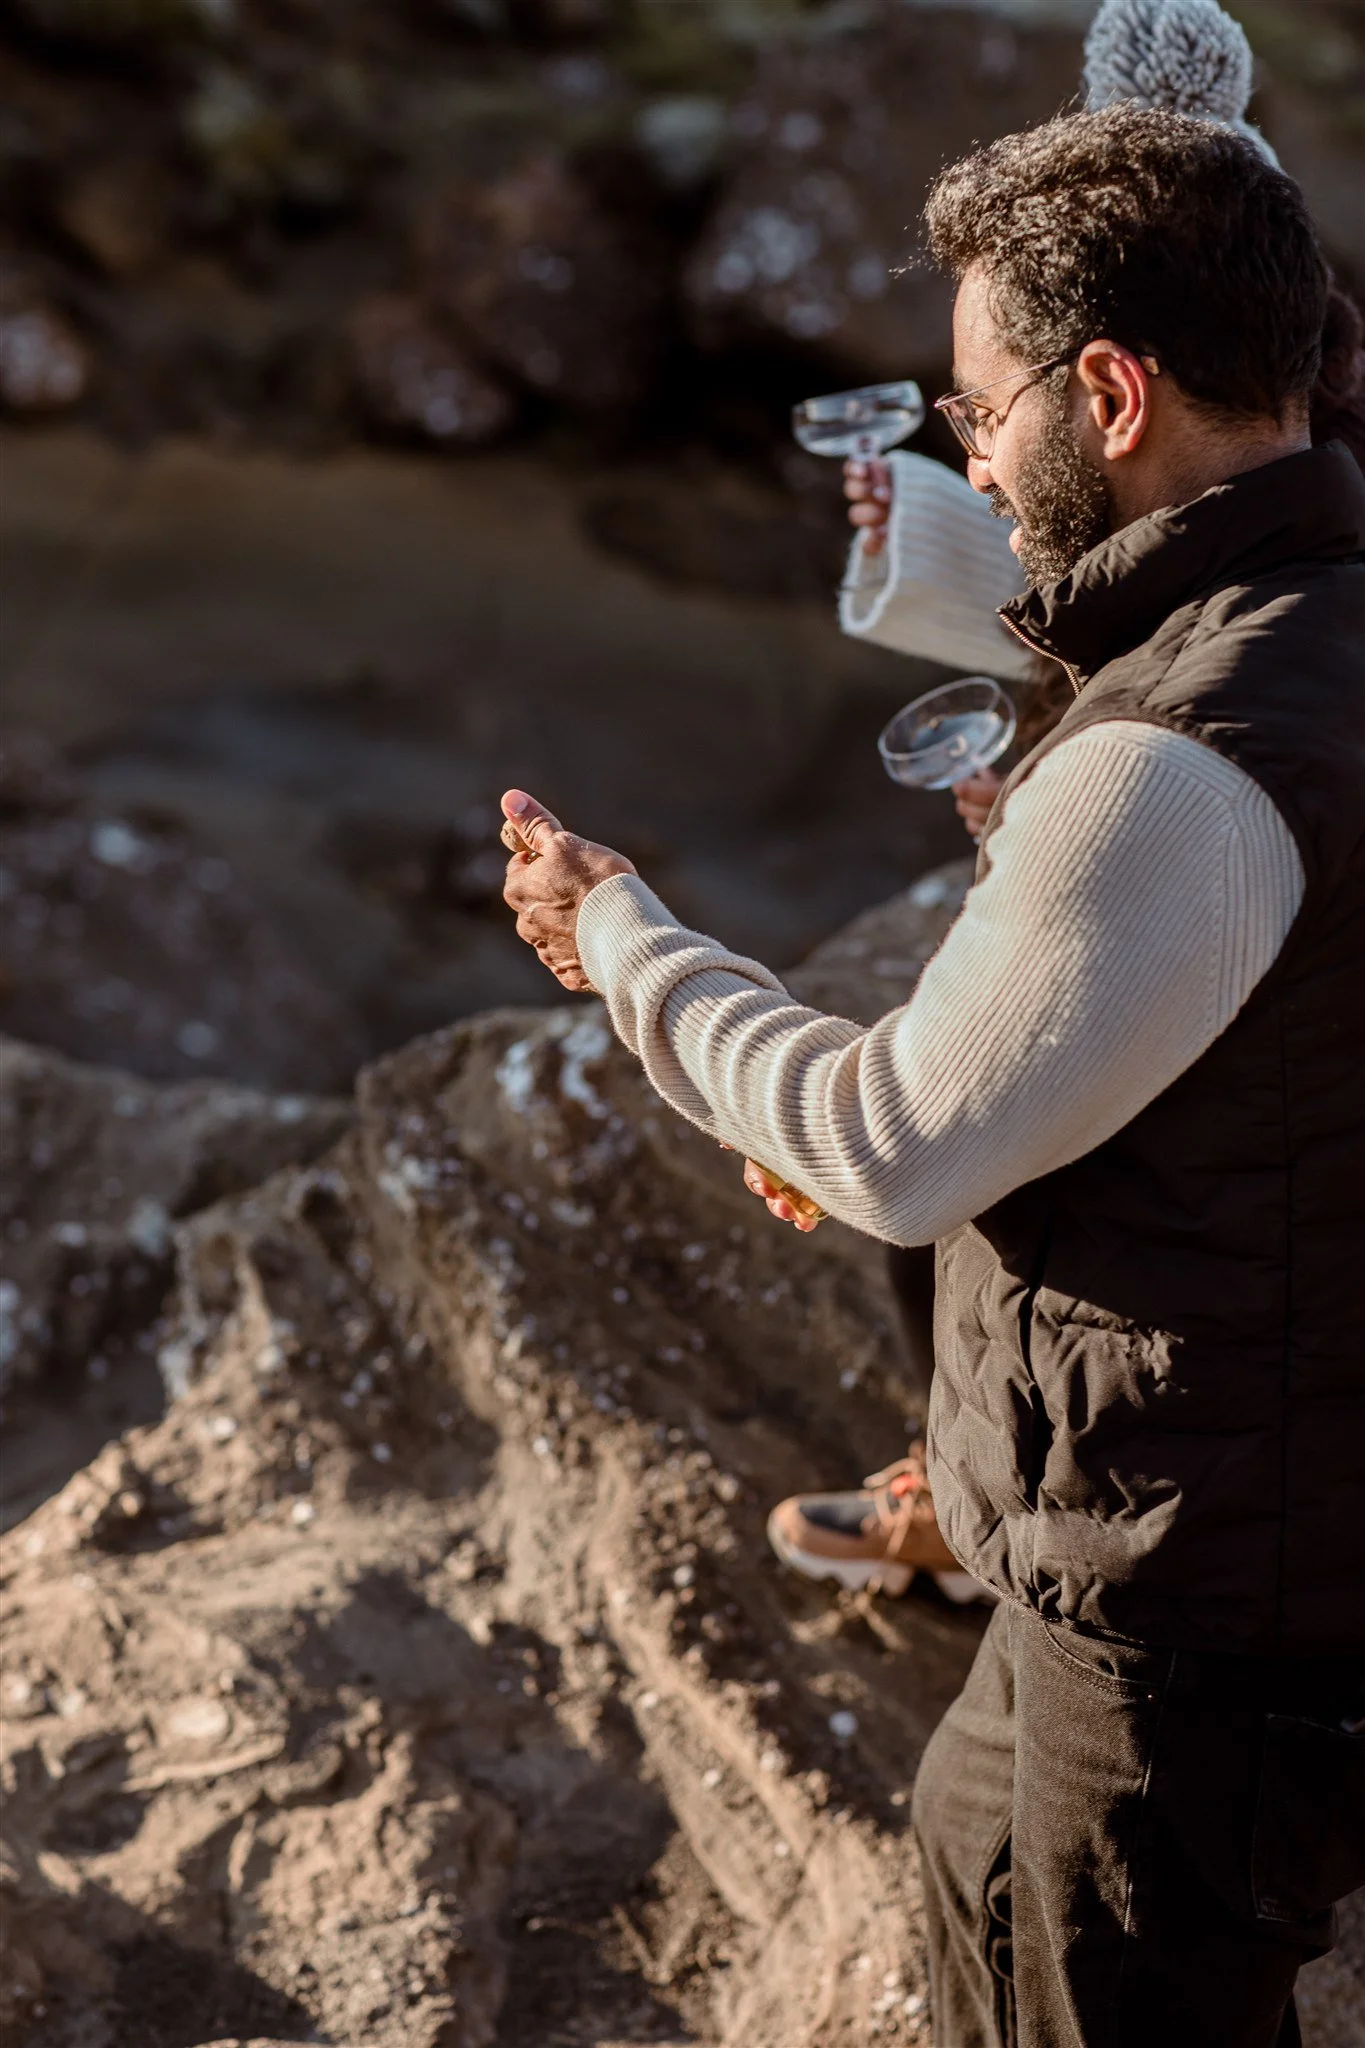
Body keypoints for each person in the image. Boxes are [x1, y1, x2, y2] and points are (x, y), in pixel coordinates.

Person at [503, 103, 1365, 2044]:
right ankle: (957, 1511)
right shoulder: (1319, 611)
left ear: (1112, 389)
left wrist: (620, 938)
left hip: (1203, 1592)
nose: (957, 442)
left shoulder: (1175, 769)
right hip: (1290, 1464)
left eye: (976, 406)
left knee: (1070, 1962)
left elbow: (889, 1143)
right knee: (976, 1825)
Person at [767, 0, 1365, 1616]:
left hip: (1207, 802)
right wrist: (945, 550)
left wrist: (618, 939)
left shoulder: (1270, 425)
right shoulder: (1262, 380)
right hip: (1146, 763)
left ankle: (984, 1508)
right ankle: (964, 1482)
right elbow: (1102, 575)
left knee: (969, 1150)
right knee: (965, 1110)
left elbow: (1181, 613)